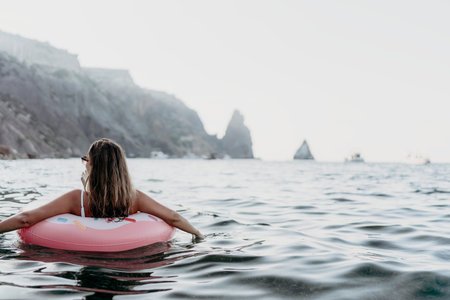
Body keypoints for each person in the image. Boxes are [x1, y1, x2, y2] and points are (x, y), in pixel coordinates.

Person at [0, 138, 203, 240]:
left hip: (80, 257)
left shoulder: (76, 200)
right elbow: (174, 217)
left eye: (86, 160)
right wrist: (199, 236)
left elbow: (26, 218)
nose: (84, 163)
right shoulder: (135, 199)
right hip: (127, 263)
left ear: (92, 166)